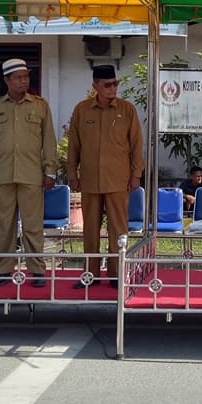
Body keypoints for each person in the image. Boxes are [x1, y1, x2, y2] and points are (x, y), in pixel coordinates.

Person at [0, 59, 57, 288]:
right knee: (4, 225)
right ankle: (3, 270)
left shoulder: (40, 105)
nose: (24, 81)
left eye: (26, 76)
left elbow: (49, 141)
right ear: (7, 80)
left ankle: (37, 270)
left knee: (33, 225)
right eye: (19, 77)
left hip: (32, 175)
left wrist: (50, 170)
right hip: (3, 176)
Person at [66, 64, 144, 288]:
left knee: (118, 229)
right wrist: (72, 172)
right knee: (90, 229)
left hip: (118, 179)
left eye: (115, 83)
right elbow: (74, 145)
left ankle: (116, 274)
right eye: (107, 84)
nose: (112, 88)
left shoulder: (127, 110)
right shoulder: (82, 110)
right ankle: (89, 274)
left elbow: (136, 144)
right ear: (95, 86)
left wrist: (136, 173)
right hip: (90, 179)